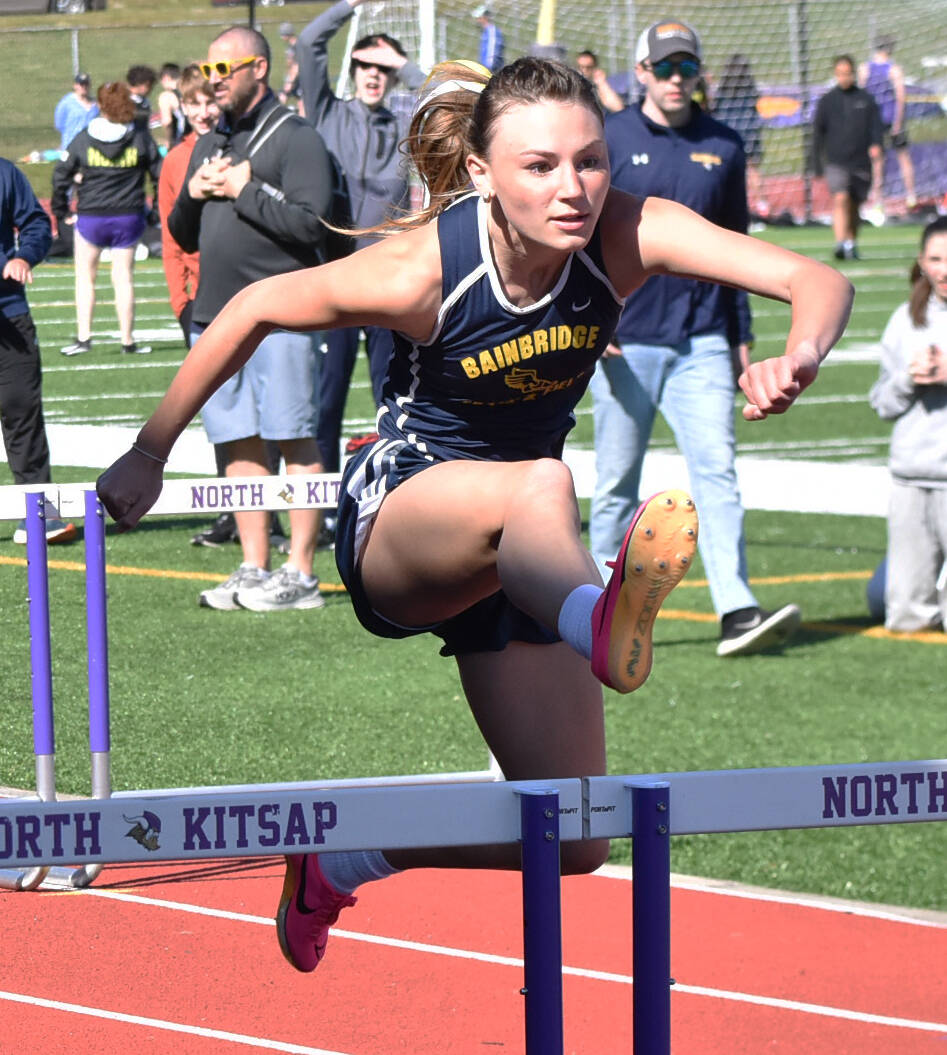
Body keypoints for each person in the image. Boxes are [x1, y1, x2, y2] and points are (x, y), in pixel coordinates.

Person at [96, 57, 853, 972]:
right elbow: (252, 306)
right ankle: (595, 616)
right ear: (486, 174)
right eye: (540, 166)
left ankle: (341, 863)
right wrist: (149, 448)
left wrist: (799, 354)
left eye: (589, 161)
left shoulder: (630, 232)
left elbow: (812, 278)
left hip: (520, 555)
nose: (572, 188)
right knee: (540, 481)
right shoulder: (423, 268)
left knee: (577, 837)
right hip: (405, 517)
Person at [589, 19, 803, 658]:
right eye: (665, 67)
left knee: (718, 474)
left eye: (687, 68)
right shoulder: (611, 136)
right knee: (616, 482)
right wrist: (589, 321)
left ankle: (736, 608)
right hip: (625, 341)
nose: (677, 79)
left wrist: (741, 334)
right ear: (643, 72)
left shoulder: (726, 145)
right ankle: (591, 604)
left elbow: (739, 248)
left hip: (703, 340)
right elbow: (585, 235)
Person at [166, 25, 334, 611]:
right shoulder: (217, 139)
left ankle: (302, 572)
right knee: (235, 440)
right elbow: (182, 232)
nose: (213, 83)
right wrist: (193, 191)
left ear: (258, 69)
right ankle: (255, 564)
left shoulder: (297, 137)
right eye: (207, 71)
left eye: (224, 70)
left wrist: (244, 189)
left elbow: (315, 226)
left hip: (280, 315)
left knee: (292, 435)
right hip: (216, 316)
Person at [297, 0, 426, 514]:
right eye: (366, 67)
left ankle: (386, 499)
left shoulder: (403, 128)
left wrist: (401, 64)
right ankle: (327, 506)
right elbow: (308, 44)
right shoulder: (327, 113)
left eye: (384, 70)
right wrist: (348, 7)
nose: (374, 76)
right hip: (336, 280)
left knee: (389, 401)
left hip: (388, 285)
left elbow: (445, 96)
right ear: (353, 70)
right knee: (326, 402)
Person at [868, 216, 947, 632]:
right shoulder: (905, 319)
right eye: (935, 259)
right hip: (912, 477)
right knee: (903, 617)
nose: (944, 270)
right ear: (921, 262)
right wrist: (909, 378)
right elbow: (881, 403)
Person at [51, 80, 162, 358]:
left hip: (91, 217)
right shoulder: (139, 137)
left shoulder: (85, 137)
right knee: (123, 278)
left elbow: (61, 174)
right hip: (128, 216)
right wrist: (157, 210)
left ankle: (84, 338)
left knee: (85, 278)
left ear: (100, 105)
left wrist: (61, 210)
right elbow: (159, 173)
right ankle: (127, 341)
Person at [1, 157, 76, 545]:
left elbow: (34, 223)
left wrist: (23, 256)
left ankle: (38, 514)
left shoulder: (5, 173)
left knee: (21, 407)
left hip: (8, 314)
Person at [812, 55, 884, 262]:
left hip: (860, 161)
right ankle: (840, 243)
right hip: (837, 161)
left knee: (855, 205)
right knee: (840, 199)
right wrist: (816, 164)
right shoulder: (827, 101)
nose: (844, 78)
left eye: (848, 73)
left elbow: (876, 127)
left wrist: (877, 145)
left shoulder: (866, 99)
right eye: (840, 74)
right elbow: (818, 133)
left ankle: (851, 243)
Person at [859, 36, 917, 212]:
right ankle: (910, 195)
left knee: (878, 160)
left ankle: (878, 199)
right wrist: (898, 122)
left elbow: (861, 95)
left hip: (875, 121)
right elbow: (900, 97)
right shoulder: (894, 69)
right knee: (902, 157)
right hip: (889, 119)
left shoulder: (865, 69)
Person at [713, 53, 766, 218]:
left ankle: (732, 202)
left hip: (729, 132)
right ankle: (760, 203)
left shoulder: (724, 89)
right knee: (752, 168)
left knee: (730, 169)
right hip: (748, 131)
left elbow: (717, 108)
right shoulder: (750, 88)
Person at [53, 72, 99, 152]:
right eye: (81, 84)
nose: (83, 87)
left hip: (90, 147)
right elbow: (59, 124)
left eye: (86, 84)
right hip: (71, 146)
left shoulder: (96, 105)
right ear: (75, 86)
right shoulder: (66, 102)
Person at [575, 49, 625, 114]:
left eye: (588, 67)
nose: (583, 70)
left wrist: (602, 83)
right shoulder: (571, 84)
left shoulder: (597, 87)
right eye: (580, 67)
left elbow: (618, 107)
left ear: (594, 67)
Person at [157, 62, 187, 153]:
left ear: (166, 78)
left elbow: (167, 121)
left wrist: (168, 142)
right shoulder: (189, 91)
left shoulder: (166, 96)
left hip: (180, 142)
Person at [472, 4, 504, 74]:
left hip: (492, 71)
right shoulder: (485, 32)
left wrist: (487, 69)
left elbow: (492, 52)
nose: (477, 21)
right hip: (485, 69)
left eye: (479, 18)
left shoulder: (492, 31)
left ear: (484, 17)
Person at [126, 64, 157, 133]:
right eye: (150, 86)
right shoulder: (122, 98)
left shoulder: (144, 101)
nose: (151, 89)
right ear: (145, 85)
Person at [278, 22, 301, 111]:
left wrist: (290, 82)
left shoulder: (297, 46)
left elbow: (296, 66)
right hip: (294, 78)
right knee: (285, 95)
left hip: (297, 79)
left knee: (284, 94)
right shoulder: (292, 46)